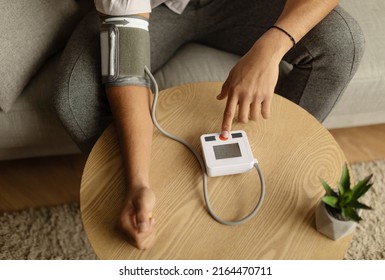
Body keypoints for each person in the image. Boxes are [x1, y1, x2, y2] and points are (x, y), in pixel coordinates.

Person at [54, 0, 365, 250]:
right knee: (73, 97)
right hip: (157, 10)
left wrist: (273, 45)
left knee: (342, 42)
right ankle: (150, 196)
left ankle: (263, 176)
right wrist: (138, 181)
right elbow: (125, 68)